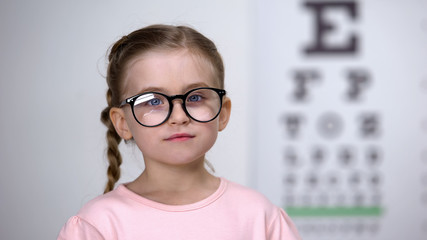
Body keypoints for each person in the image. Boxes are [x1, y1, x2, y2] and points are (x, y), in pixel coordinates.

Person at [58, 24, 301, 240]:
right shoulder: (97, 225)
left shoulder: (260, 216)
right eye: (153, 101)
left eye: (195, 97)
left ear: (223, 112)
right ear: (122, 123)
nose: (178, 117)